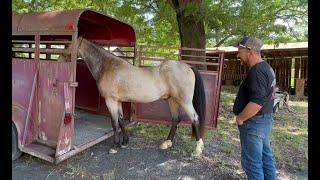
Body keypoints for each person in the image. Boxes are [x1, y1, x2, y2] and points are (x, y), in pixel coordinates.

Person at [233, 36, 277, 180]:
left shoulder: (256, 71)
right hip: (264, 121)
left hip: (254, 124)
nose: (238, 54)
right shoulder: (266, 68)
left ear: (249, 51)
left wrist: (240, 118)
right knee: (266, 160)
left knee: (252, 164)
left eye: (240, 50)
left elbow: (256, 103)